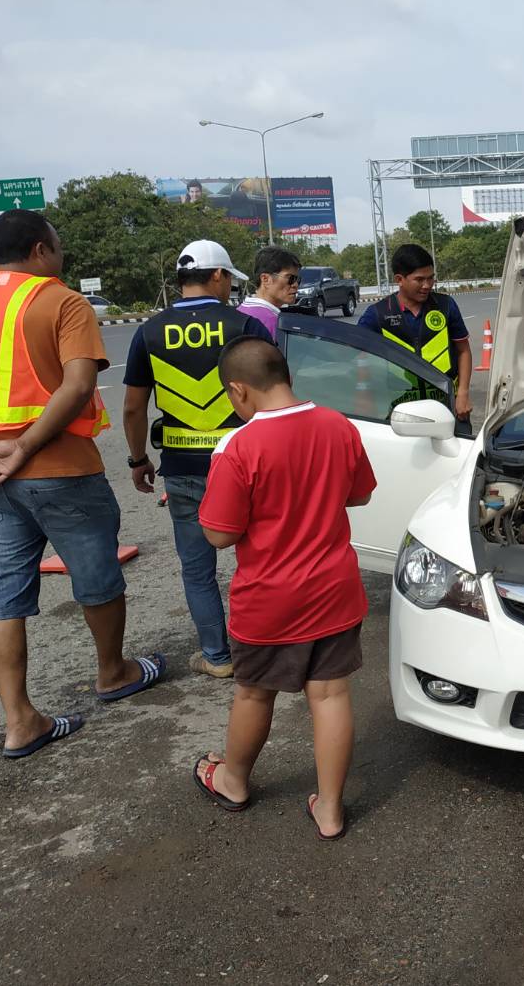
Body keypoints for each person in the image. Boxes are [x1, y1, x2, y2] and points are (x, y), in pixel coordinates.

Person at [0, 210, 164, 759]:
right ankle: (114, 673)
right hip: (62, 470)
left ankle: (20, 721)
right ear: (38, 250)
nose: (60, 254)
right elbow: (77, 386)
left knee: (3, 591)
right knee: (96, 575)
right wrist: (25, 447)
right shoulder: (62, 301)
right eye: (57, 245)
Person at [190, 336, 376, 839]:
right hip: (334, 589)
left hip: (270, 599)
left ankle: (232, 781)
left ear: (238, 389)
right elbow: (359, 495)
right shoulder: (338, 425)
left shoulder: (238, 446)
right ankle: (330, 810)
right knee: (331, 695)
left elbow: (220, 534)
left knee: (254, 694)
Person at [122, 240, 272, 680]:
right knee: (261, 561)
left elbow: (133, 408)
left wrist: (138, 459)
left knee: (197, 569)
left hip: (184, 468)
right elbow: (272, 396)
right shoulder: (244, 324)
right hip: (245, 465)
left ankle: (217, 657)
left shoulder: (150, 331)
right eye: (229, 280)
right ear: (218, 276)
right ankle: (266, 649)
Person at [356, 243, 472, 421]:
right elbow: (360, 356)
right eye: (419, 279)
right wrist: (364, 395)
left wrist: (463, 393)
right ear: (399, 279)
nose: (427, 285)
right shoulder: (378, 314)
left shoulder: (446, 306)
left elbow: (463, 350)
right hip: (401, 410)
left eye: (431, 278)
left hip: (448, 407)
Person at [238, 245, 301, 332]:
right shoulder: (271, 322)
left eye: (297, 279)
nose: (295, 284)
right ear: (265, 279)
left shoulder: (240, 311)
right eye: (290, 278)